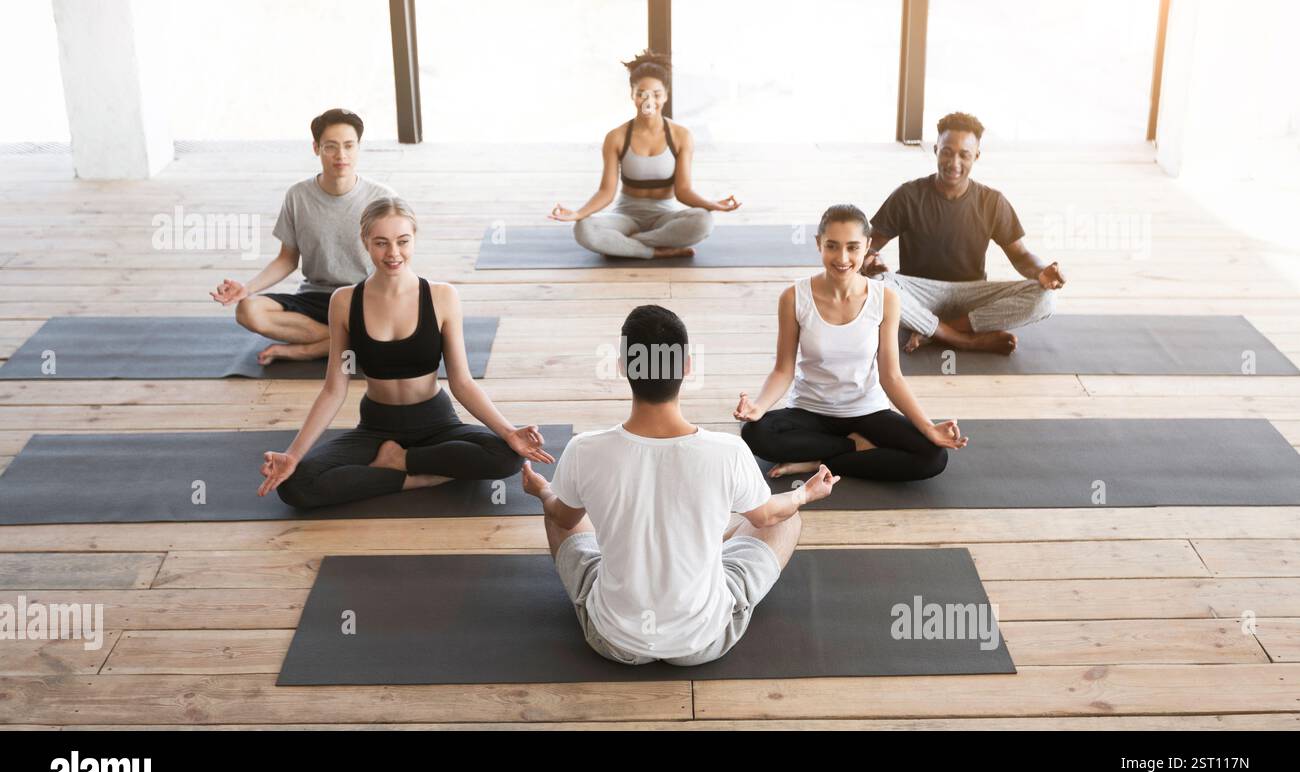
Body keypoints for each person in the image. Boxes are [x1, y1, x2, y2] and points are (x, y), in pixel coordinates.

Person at [521, 305, 839, 665]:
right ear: (687, 366)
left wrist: (542, 490)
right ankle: (696, 541)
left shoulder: (584, 449)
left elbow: (563, 519)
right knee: (786, 516)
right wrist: (804, 493)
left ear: (623, 366)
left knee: (556, 507)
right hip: (703, 641)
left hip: (614, 641)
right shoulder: (729, 451)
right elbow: (766, 517)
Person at [257, 197, 552, 508]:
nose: (393, 253)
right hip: (375, 427)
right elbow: (334, 389)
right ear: (365, 241)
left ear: (414, 238)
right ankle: (416, 476)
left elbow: (462, 382)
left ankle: (402, 461)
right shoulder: (344, 302)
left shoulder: (441, 297)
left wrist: (508, 432)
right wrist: (292, 455)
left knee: (507, 457)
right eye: (381, 243)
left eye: (402, 241)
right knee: (296, 485)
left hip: (436, 422)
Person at [738, 204, 968, 480]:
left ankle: (820, 460)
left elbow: (892, 377)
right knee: (755, 434)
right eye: (832, 246)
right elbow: (783, 370)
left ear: (868, 246)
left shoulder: (885, 299)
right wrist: (759, 406)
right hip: (811, 411)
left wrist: (928, 428)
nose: (842, 257)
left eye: (853, 247)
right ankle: (855, 447)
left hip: (867, 411)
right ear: (818, 244)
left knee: (933, 457)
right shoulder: (793, 297)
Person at [867, 111, 1066, 355]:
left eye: (964, 155)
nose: (954, 162)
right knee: (872, 284)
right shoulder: (908, 195)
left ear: (976, 157)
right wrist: (871, 261)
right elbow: (869, 246)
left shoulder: (992, 201)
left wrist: (1042, 272)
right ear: (936, 150)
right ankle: (965, 340)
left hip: (970, 296)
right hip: (918, 293)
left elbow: (1021, 256)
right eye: (947, 152)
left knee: (1046, 299)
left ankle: (939, 330)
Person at [210, 108, 395, 364]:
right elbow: (287, 259)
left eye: (349, 146)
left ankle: (308, 349)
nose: (341, 155)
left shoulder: (383, 198)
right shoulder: (298, 196)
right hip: (316, 297)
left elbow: (396, 260)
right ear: (316, 148)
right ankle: (350, 342)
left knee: (395, 322)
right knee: (248, 311)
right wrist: (246, 289)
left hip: (364, 298)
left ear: (358, 147)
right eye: (331, 147)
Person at [547, 50, 740, 260]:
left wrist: (713, 205)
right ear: (633, 95)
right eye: (642, 93)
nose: (650, 100)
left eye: (656, 94)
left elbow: (683, 191)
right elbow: (606, 192)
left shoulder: (681, 136)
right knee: (583, 229)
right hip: (625, 216)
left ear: (665, 96)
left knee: (703, 221)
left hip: (665, 217)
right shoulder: (616, 137)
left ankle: (626, 244)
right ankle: (655, 251)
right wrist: (578, 214)